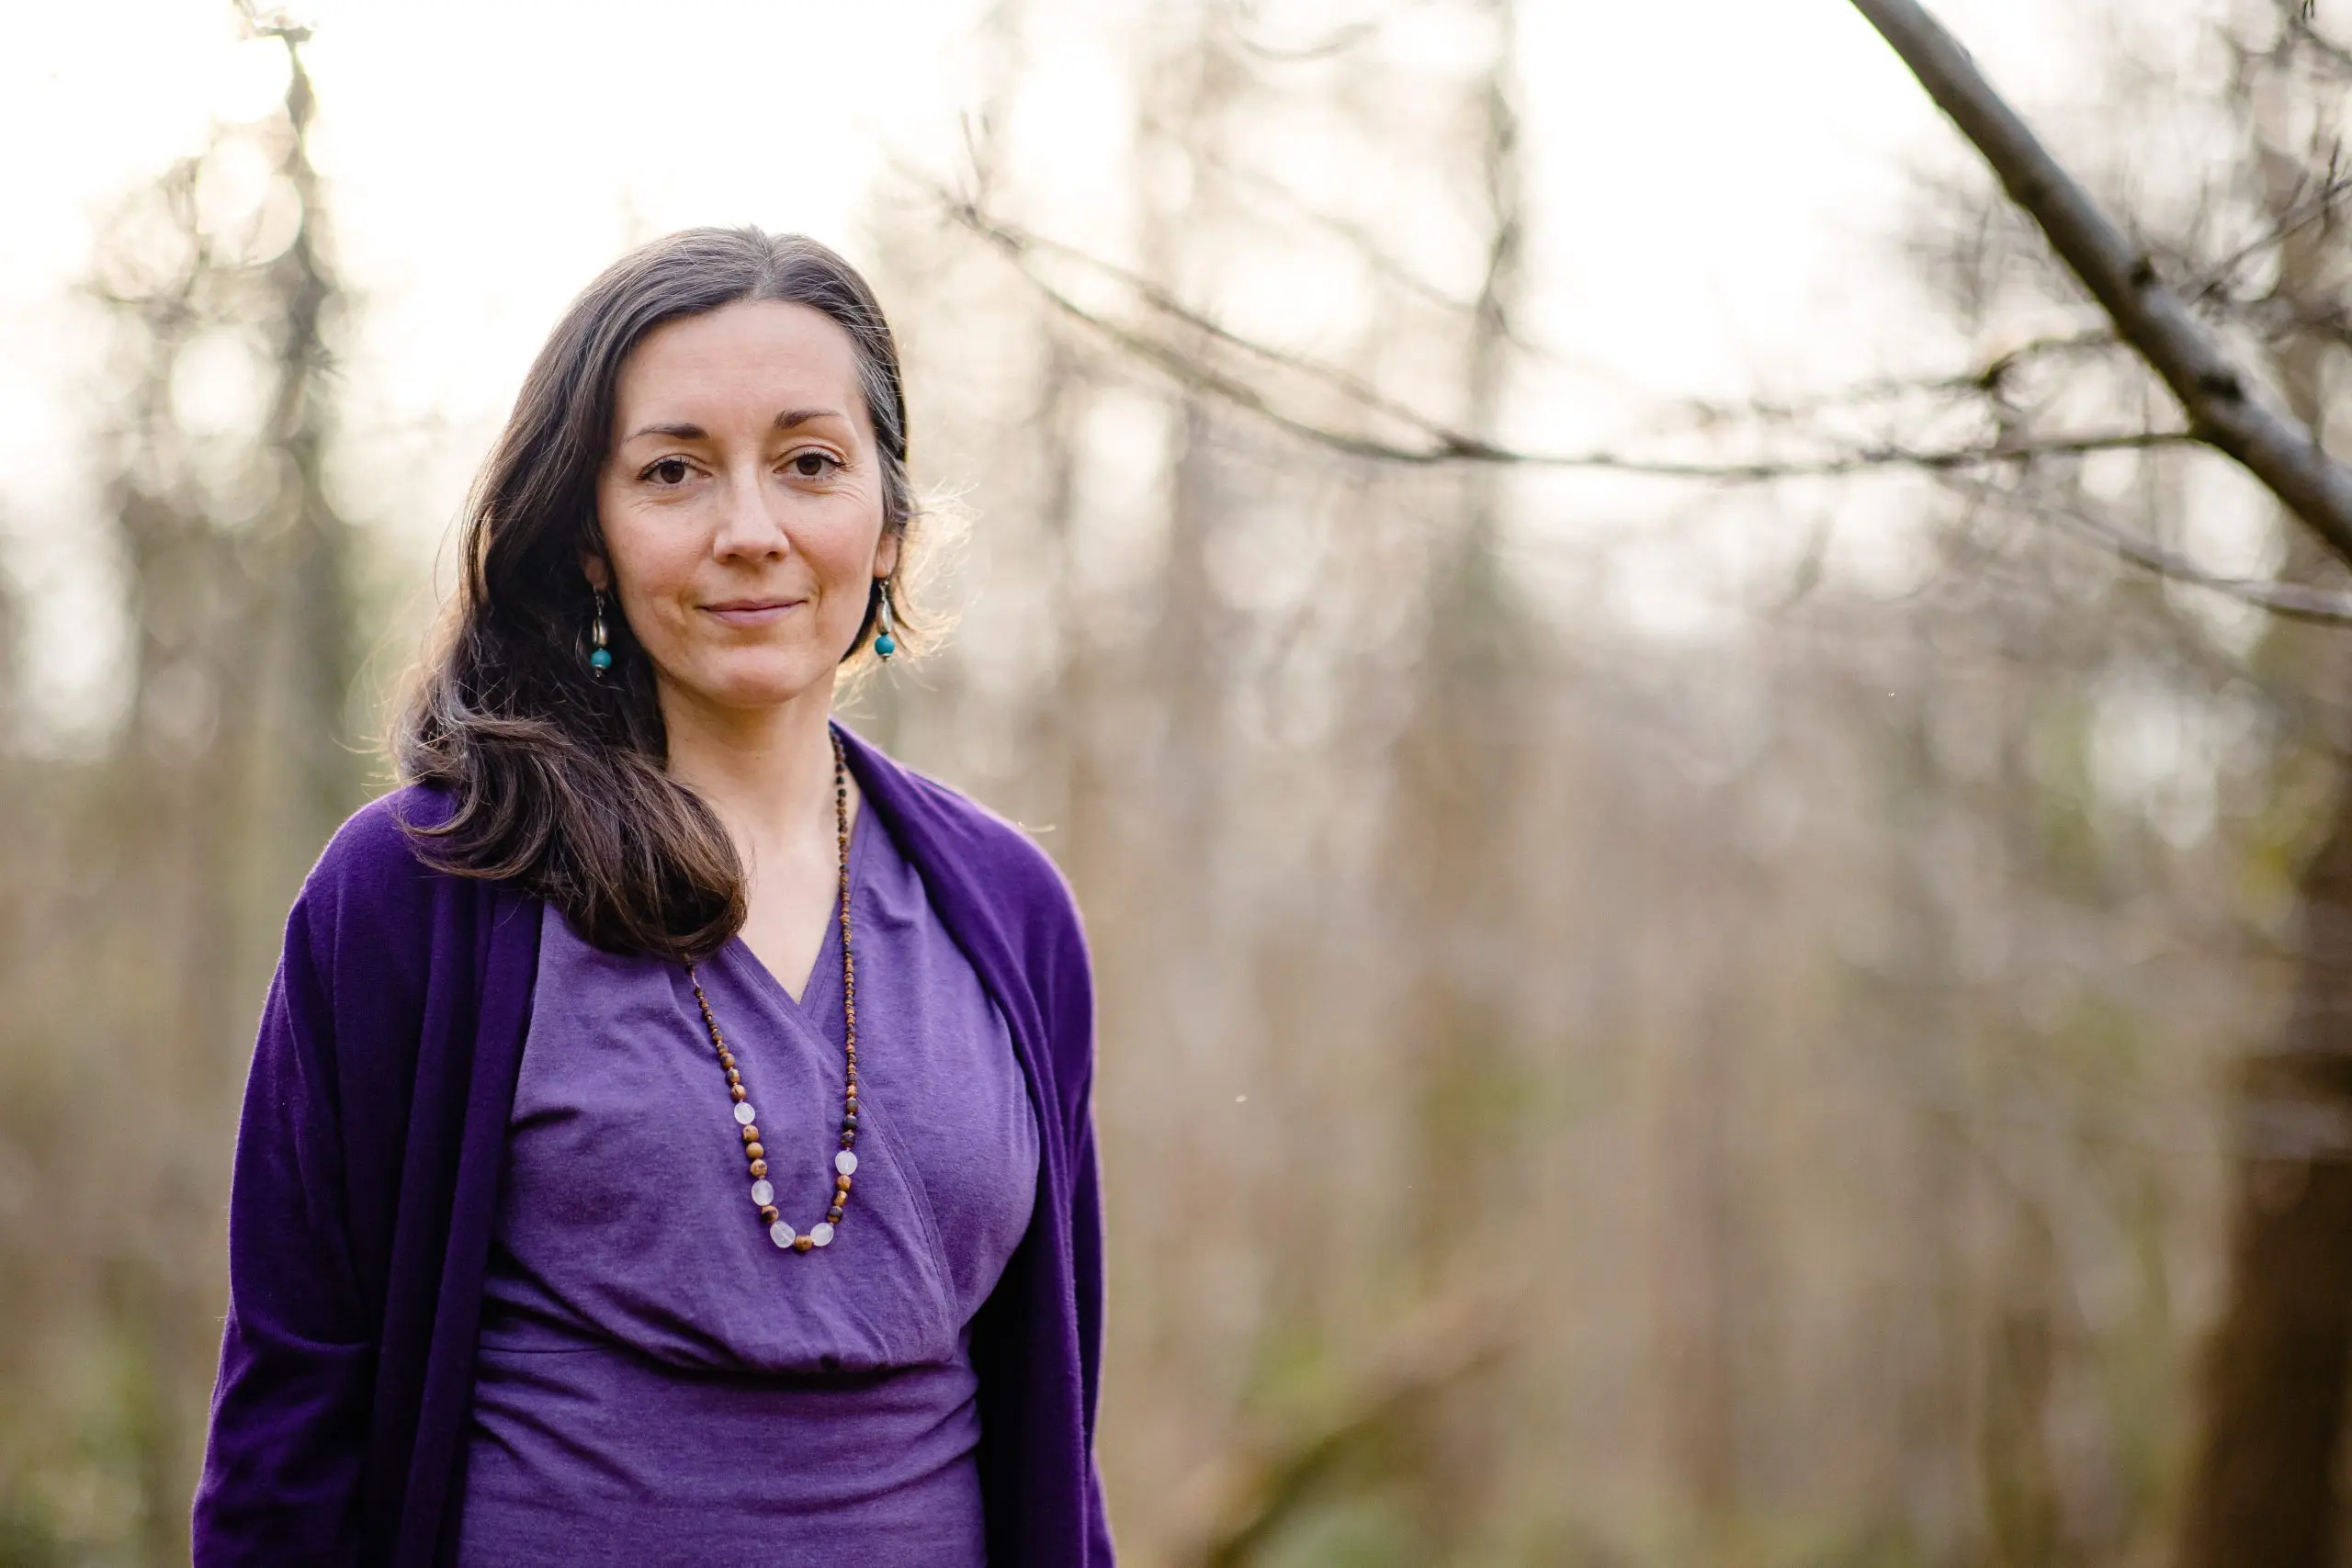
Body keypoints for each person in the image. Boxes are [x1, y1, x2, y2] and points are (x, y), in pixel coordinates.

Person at [189, 228, 1113, 1568]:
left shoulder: (1011, 915)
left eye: (809, 462)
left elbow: (1054, 1437)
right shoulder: (416, 896)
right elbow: (292, 1423)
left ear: (888, 521)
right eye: (674, 471)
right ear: (589, 541)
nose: (752, 531)